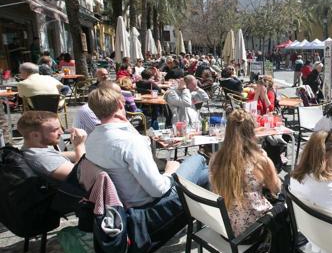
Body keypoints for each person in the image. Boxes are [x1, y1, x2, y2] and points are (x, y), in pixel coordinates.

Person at [85, 84, 209, 241]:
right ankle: (203, 217)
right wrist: (170, 171)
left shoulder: (92, 138)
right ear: (120, 104)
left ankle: (202, 215)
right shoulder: (128, 142)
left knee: (206, 174)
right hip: (148, 205)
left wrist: (126, 123)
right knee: (198, 159)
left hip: (122, 199)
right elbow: (158, 190)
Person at [209, 109, 281, 236]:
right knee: (284, 201)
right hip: (253, 231)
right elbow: (275, 189)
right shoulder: (259, 160)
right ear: (252, 132)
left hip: (225, 228)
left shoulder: (215, 159)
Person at [18, 110, 87, 185]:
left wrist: (91, 154)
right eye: (55, 130)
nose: (61, 132)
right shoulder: (41, 157)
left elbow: (61, 155)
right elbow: (83, 177)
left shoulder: (34, 149)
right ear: (35, 135)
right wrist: (79, 145)